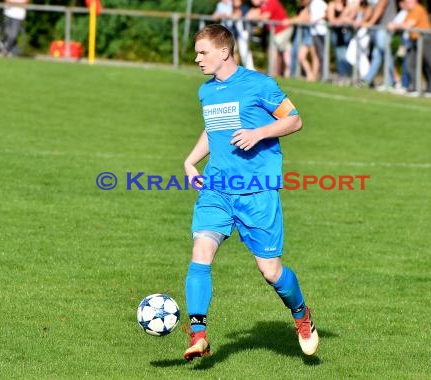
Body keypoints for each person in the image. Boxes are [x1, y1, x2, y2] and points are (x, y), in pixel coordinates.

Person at [183, 24, 318, 361]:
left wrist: (258, 133)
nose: (197, 59)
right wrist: (190, 161)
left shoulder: (260, 84)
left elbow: (295, 120)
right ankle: (198, 334)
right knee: (201, 251)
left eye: (203, 52)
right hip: (217, 189)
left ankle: (301, 314)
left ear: (224, 51)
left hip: (257, 193)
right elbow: (213, 128)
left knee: (271, 271)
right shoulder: (207, 92)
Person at [389, 0, 431, 97]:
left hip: (425, 39)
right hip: (415, 40)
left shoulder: (418, 9)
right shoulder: (410, 11)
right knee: (410, 63)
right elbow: (404, 23)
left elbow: (408, 25)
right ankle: (414, 87)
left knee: (428, 63)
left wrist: (395, 26)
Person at [247, 0, 293, 77]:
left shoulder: (271, 2)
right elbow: (253, 14)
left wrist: (254, 17)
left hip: (282, 31)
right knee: (281, 52)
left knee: (281, 52)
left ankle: (286, 72)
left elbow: (265, 17)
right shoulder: (264, 5)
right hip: (277, 32)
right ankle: (279, 73)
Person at [359, 0, 397, 88]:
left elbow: (381, 7)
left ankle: (392, 80)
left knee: (385, 52)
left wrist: (370, 23)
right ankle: (367, 80)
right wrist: (363, 21)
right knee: (377, 55)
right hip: (381, 27)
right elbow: (371, 9)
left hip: (385, 27)